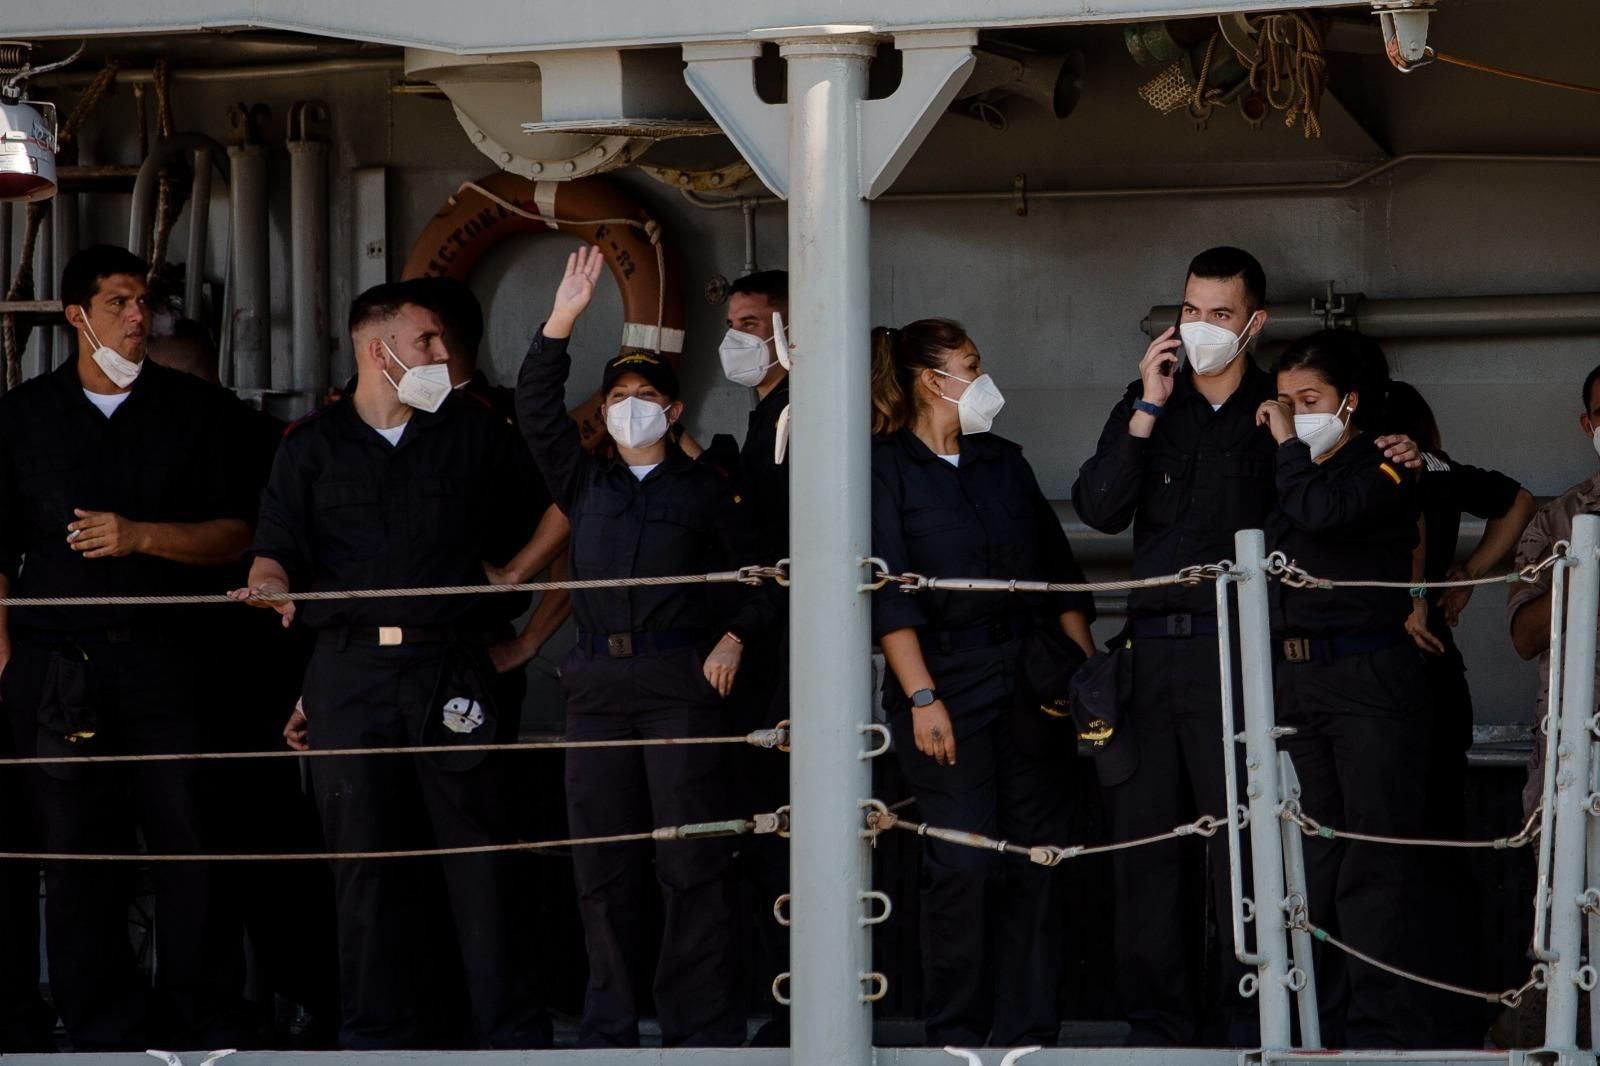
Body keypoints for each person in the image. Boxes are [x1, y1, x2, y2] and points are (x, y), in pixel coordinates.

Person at [1071, 247, 1417, 1047]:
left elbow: (1339, 501)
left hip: (1246, 659)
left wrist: (1405, 451)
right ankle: (1158, 1035)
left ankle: (1246, 1028)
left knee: (1249, 851)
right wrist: (1147, 406)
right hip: (1150, 654)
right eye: (1190, 311)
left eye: (1219, 315)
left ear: (1253, 323)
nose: (1200, 329)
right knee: (1148, 855)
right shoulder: (1145, 400)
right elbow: (1098, 508)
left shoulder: (1280, 407)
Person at [232, 280, 552, 1051]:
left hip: (452, 665)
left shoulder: (476, 433)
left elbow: (566, 504)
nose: (444, 355)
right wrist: (268, 589)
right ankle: (377, 1038)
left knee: (478, 860)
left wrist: (518, 589)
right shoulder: (309, 445)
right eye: (429, 342)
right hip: (348, 671)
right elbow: (275, 548)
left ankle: (507, 1037)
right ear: (381, 352)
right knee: (364, 865)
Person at [517, 246, 775, 1049]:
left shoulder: (706, 490)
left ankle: (699, 1027)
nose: (630, 407)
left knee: (690, 862)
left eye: (646, 397)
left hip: (678, 679)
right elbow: (534, 405)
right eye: (619, 395)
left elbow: (766, 574)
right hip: (595, 683)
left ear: (672, 412)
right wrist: (562, 316)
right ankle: (609, 1026)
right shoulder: (583, 481)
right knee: (602, 864)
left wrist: (733, 636)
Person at [0, 244, 256, 1050]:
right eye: (119, 302)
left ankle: (202, 1018)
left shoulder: (198, 411)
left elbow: (237, 537)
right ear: (76, 314)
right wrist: (6, 660)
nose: (138, 317)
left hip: (172, 662)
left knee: (192, 841)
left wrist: (140, 533)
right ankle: (100, 1023)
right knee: (76, 853)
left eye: (143, 301)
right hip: (56, 667)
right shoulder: (22, 416)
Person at [871, 317, 1095, 1048]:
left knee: (1039, 858)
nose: (982, 378)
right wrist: (922, 697)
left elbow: (1061, 576)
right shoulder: (884, 469)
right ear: (933, 381)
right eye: (971, 365)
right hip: (945, 681)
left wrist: (1085, 677)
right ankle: (957, 1033)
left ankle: (1033, 1031)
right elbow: (887, 595)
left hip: (1032, 677)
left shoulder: (1004, 463)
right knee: (964, 864)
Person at [1255, 329, 1430, 1049]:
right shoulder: (1281, 465)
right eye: (1286, 401)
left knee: (1372, 857)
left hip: (1368, 679)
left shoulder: (1386, 462)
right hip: (1296, 681)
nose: (1295, 414)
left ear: (1347, 402)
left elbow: (1326, 513)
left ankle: (1376, 1030)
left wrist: (1289, 445)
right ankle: (1316, 1023)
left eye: (1312, 400)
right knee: (1314, 857)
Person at [406, 276, 573, 686]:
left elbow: (573, 508)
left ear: (435, 338)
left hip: (474, 643)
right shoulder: (377, 420)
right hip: (374, 654)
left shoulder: (507, 425)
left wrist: (519, 588)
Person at [718, 269, 793, 1045]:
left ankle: (796, 1001)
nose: (735, 338)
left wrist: (746, 627)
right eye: (733, 323)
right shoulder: (759, 417)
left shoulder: (800, 415)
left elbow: (789, 551)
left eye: (750, 324)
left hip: (785, 658)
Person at [1509, 363, 1600, 817]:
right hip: (1576, 750)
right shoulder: (1557, 519)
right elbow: (1524, 639)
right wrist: (1582, 572)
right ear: (1588, 425)